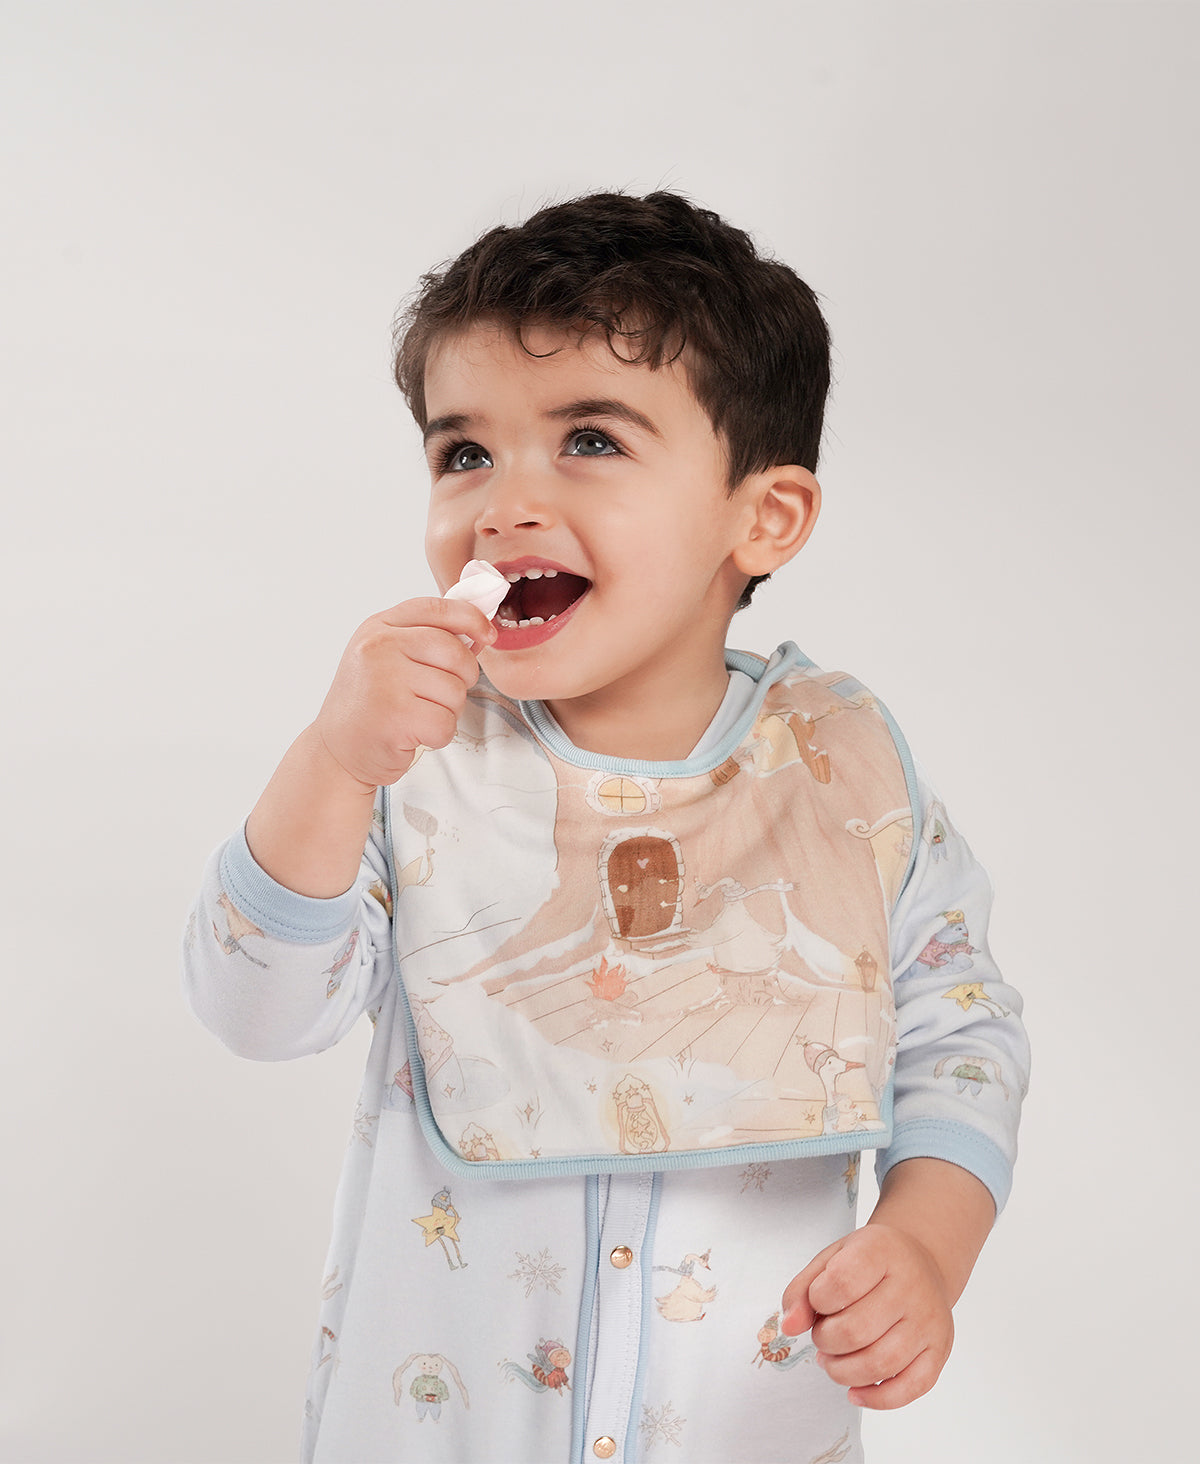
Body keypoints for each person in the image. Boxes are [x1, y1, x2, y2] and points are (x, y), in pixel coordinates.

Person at [182, 190, 1029, 1464]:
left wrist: (927, 1244)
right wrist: (332, 761)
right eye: (464, 454)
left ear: (764, 518)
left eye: (587, 439)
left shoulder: (841, 773)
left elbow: (964, 1038)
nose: (502, 503)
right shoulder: (414, 763)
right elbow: (256, 1013)